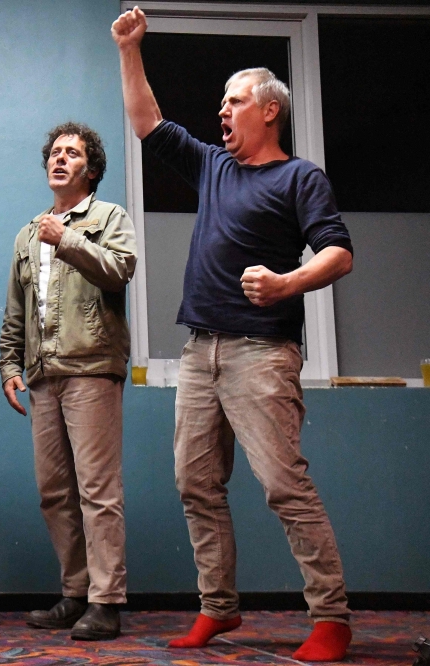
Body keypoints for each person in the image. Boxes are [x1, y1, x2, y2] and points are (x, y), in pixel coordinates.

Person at [113, 7, 355, 662]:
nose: (223, 109)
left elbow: (338, 254)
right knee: (195, 482)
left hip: (262, 352)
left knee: (283, 484)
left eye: (235, 99)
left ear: (268, 110)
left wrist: (285, 282)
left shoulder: (299, 177)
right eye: (221, 100)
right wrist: (130, 50)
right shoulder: (214, 168)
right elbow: (146, 123)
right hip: (200, 350)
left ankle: (331, 617)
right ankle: (218, 610)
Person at [0, 122, 137, 641]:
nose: (59, 159)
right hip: (41, 375)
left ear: (91, 169)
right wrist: (10, 366)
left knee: (98, 490)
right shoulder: (27, 233)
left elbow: (120, 270)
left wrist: (69, 238)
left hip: (92, 368)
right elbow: (16, 311)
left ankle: (106, 601)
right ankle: (75, 592)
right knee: (54, 491)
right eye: (54, 152)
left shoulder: (109, 217)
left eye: (72, 153)